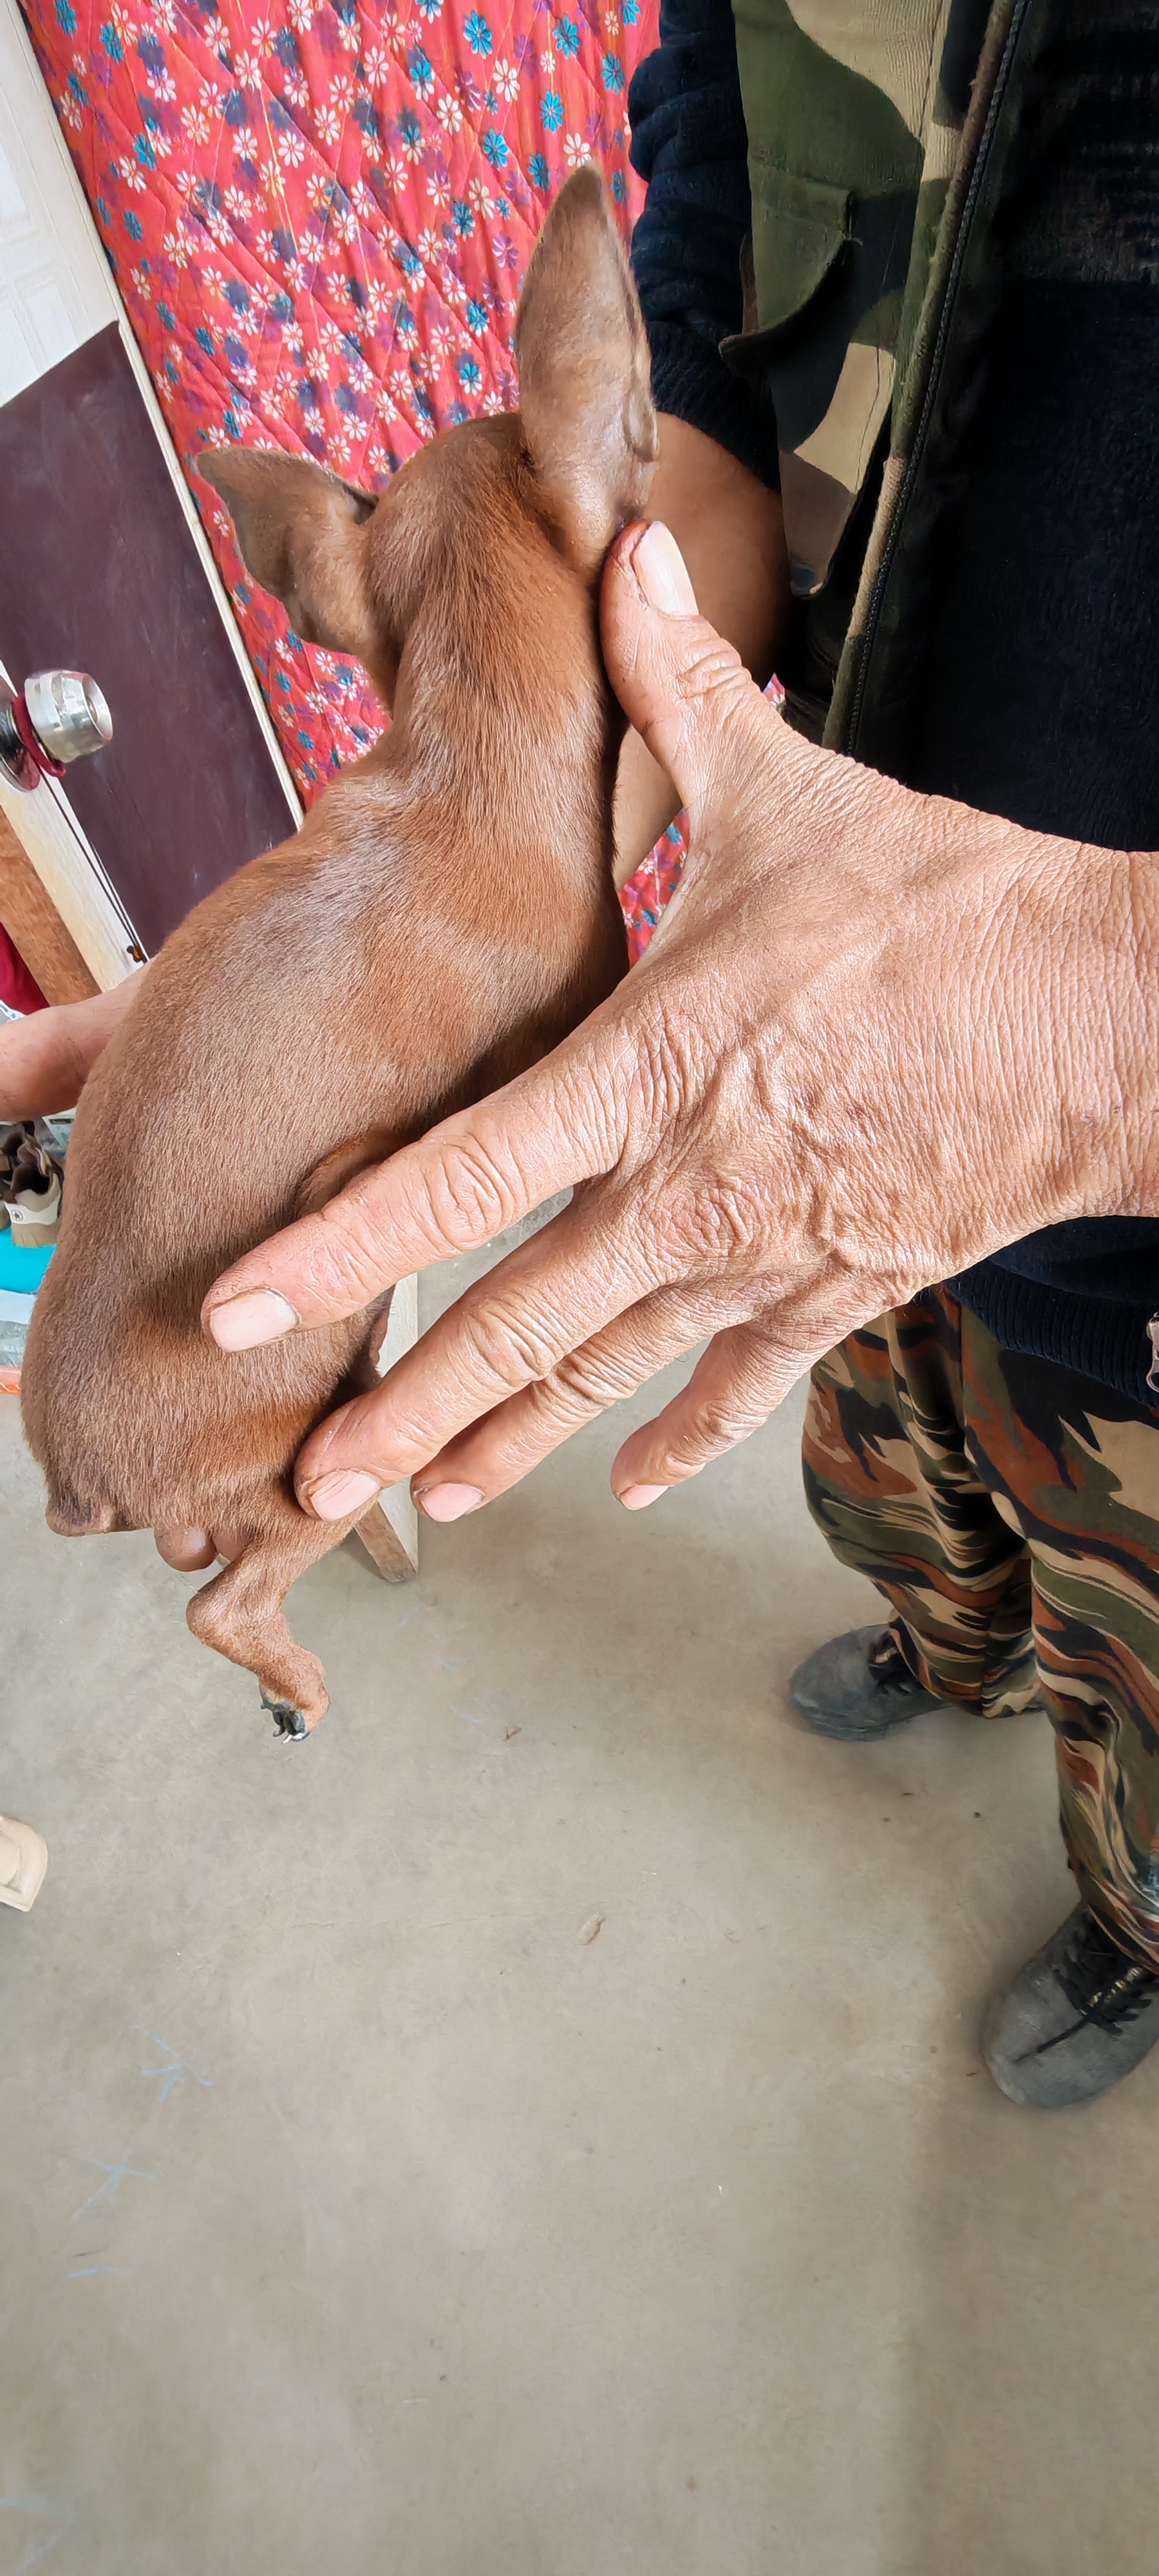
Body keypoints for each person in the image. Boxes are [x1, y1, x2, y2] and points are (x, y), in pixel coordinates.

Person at [6, 0, 1159, 2108]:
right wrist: (420, 924)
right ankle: (948, 1635)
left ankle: (1132, 1912)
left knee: (1141, 1656)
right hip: (790, 1091)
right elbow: (696, 416)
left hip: (1134, 1257)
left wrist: (1103, 1031)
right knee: (885, 1476)